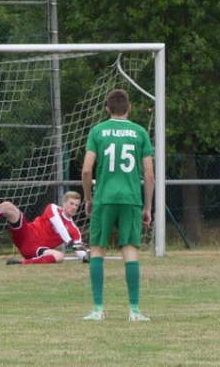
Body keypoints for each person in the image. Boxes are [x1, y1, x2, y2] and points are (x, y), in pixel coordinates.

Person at [81, 89, 155, 322]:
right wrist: (148, 207)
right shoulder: (140, 132)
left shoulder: (98, 131)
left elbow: (86, 169)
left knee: (97, 249)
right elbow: (149, 174)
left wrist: (88, 199)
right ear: (129, 108)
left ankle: (98, 309)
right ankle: (134, 310)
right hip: (131, 198)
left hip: (104, 196)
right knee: (130, 250)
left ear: (107, 108)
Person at [0, 191, 88, 264]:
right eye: (71, 203)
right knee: (7, 206)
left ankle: (22, 262)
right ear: (64, 202)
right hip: (26, 233)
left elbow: (79, 250)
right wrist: (70, 242)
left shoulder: (74, 229)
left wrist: (86, 256)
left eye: (77, 205)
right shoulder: (52, 208)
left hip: (36, 250)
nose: (74, 207)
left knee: (59, 256)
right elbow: (59, 225)